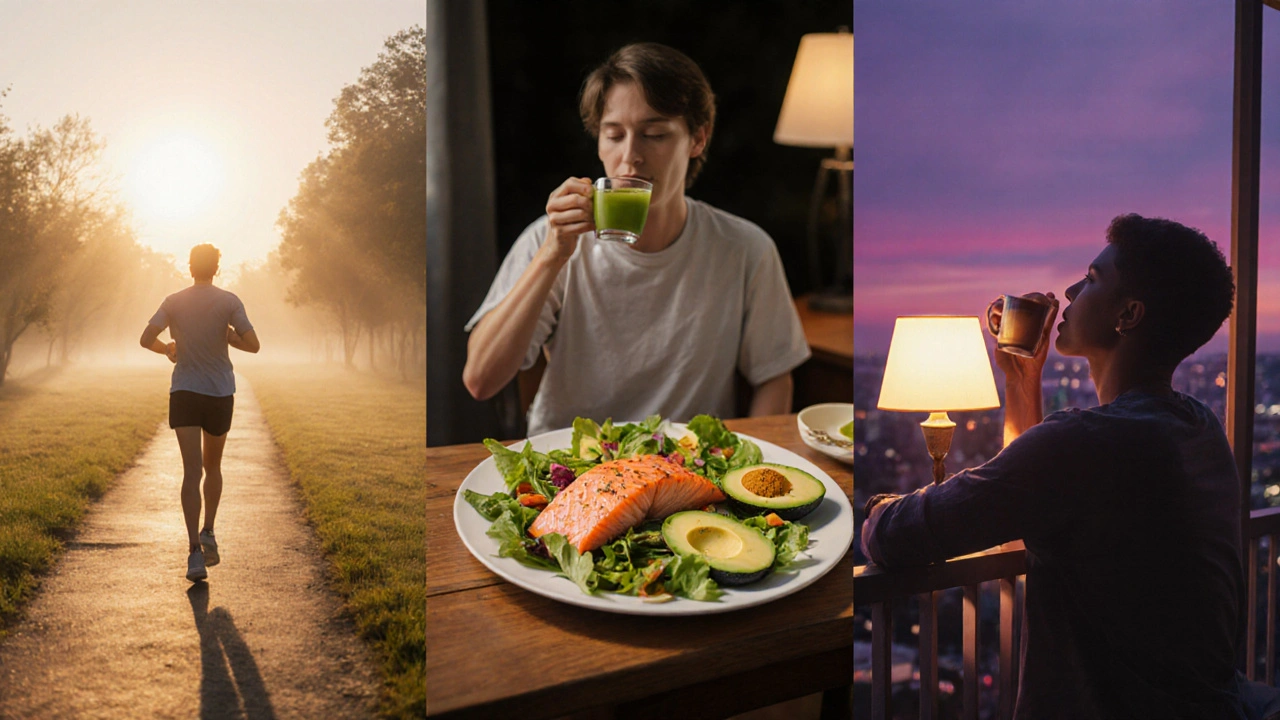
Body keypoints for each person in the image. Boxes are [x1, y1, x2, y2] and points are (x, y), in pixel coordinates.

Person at [861, 214, 1280, 718]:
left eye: (1092, 279)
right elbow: (1035, 494)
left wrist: (881, 506)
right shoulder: (1198, 427)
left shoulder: (1087, 441)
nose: (1071, 289)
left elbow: (901, 534)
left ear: (1127, 315)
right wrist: (1021, 380)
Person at [462, 42, 810, 436]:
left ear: (698, 139)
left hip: (689, 475)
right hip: (569, 471)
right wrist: (551, 256)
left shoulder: (746, 249)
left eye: (654, 134)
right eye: (613, 135)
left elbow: (774, 378)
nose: (630, 157)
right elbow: (480, 380)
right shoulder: (552, 238)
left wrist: (745, 473)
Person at [141, 244, 259, 582]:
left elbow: (146, 337)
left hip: (185, 392)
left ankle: (194, 552)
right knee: (213, 467)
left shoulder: (173, 301)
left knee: (191, 472)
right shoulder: (229, 301)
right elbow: (253, 344)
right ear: (217, 268)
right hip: (219, 393)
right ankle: (209, 532)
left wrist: (168, 349)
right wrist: (226, 334)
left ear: (189, 267)